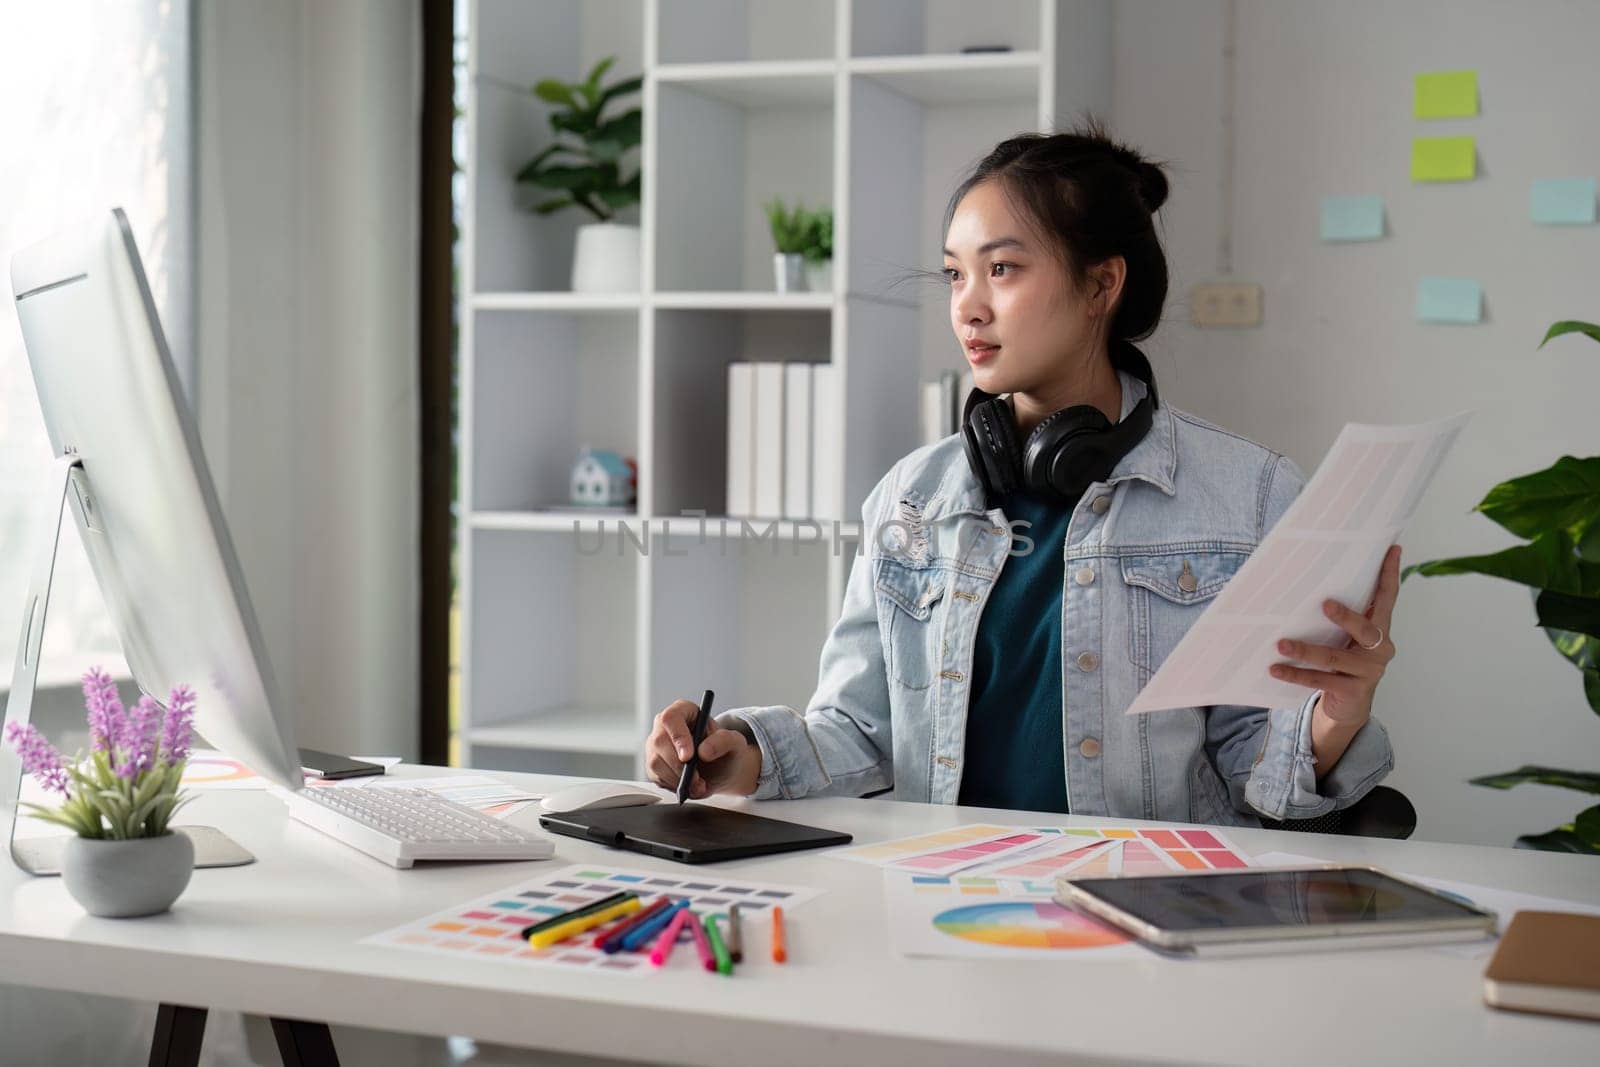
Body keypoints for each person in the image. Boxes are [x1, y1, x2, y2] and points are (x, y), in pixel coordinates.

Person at [643, 121, 1397, 825]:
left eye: (1001, 268)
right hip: (946, 897)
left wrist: (1336, 714)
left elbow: (1252, 769)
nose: (968, 307)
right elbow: (862, 733)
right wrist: (734, 752)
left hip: (1143, 917)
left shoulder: (1250, 495)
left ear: (1102, 285)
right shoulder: (910, 496)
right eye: (953, 276)